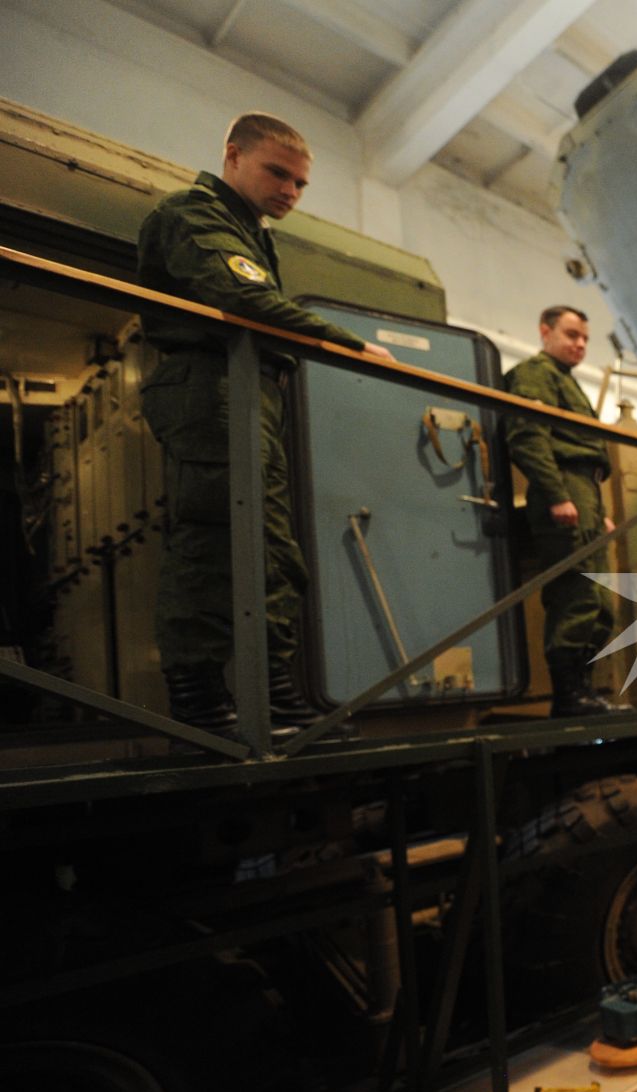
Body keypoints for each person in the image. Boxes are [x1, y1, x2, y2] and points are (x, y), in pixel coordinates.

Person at [137, 111, 393, 734]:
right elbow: (244, 299)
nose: (291, 191)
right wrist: (350, 345)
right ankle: (199, 699)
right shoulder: (192, 215)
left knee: (272, 550)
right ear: (233, 155)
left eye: (301, 183)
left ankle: (274, 695)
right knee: (212, 541)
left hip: (247, 394)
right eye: (278, 172)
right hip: (210, 390)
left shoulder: (250, 231)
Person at [504, 305, 619, 716]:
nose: (580, 344)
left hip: (584, 487)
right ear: (545, 332)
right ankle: (569, 695)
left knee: (599, 600)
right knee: (576, 589)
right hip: (566, 483)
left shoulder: (565, 381)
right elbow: (528, 438)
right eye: (572, 335)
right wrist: (557, 494)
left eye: (585, 338)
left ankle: (583, 691)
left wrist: (594, 505)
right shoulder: (536, 374)